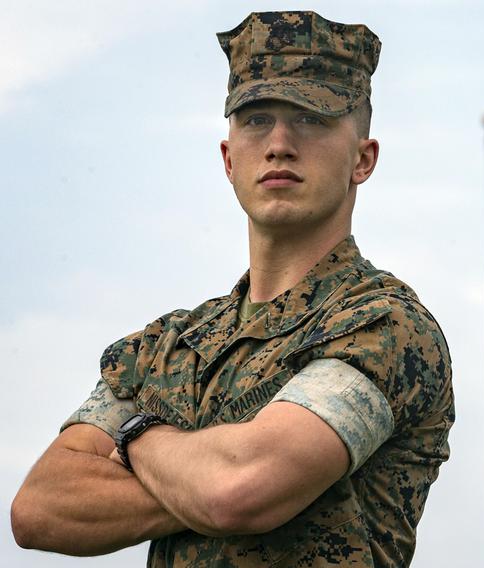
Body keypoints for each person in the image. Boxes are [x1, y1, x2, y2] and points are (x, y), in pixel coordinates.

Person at [10, 10, 454, 568]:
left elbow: (238, 489)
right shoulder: (170, 344)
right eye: (256, 119)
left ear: (362, 159)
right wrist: (204, 479)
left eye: (312, 119)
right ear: (228, 158)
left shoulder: (384, 326)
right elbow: (39, 509)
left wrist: (137, 431)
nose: (280, 144)